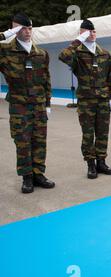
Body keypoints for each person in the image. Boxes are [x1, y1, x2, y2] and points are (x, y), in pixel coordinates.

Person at [0, 13, 55, 193]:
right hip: (19, 106)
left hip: (39, 105)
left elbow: (46, 79)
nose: (27, 31)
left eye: (30, 28)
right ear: (15, 29)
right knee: (22, 142)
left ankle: (38, 174)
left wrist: (47, 104)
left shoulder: (41, 54)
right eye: (22, 28)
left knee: (40, 141)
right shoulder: (6, 51)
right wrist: (6, 34)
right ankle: (27, 177)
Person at [59, 19, 111, 179]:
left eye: (93, 31)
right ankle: (91, 165)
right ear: (81, 34)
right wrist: (79, 41)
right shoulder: (77, 53)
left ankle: (101, 162)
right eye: (87, 32)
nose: (91, 34)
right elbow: (62, 56)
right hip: (86, 101)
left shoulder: (104, 53)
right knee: (88, 134)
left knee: (103, 133)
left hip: (103, 101)